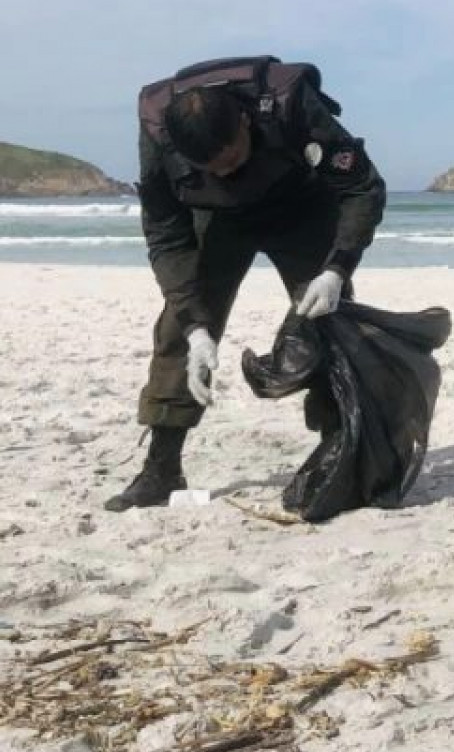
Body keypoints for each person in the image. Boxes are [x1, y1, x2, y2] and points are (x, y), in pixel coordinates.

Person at [105, 56, 388, 511]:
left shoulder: (289, 100)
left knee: (327, 320)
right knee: (180, 328)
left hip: (299, 205)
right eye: (212, 167)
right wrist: (197, 327)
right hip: (215, 218)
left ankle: (341, 449)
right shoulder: (158, 129)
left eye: (233, 157)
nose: (226, 172)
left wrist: (337, 269)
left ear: (244, 119)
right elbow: (165, 234)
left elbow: (361, 187)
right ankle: (161, 469)